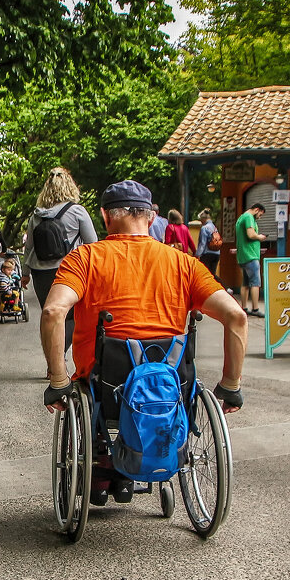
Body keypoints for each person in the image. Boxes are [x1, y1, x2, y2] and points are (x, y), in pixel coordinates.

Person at [40, 179, 249, 504]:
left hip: (104, 388)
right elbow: (237, 317)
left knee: (89, 395)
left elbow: (54, 311)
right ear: (151, 218)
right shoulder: (185, 264)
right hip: (170, 387)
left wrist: (57, 380)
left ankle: (103, 471)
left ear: (105, 218)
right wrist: (231, 385)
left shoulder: (85, 259)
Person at [21, 167, 98, 357]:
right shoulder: (78, 212)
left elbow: (29, 247)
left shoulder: (36, 215)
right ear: (70, 187)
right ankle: (57, 357)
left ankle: (52, 359)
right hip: (68, 270)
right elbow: (93, 244)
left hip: (40, 272)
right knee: (72, 317)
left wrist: (25, 273)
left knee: (49, 316)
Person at [235, 202, 267, 317]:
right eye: (260, 214)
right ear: (257, 209)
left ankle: (244, 308)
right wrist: (260, 237)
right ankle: (255, 308)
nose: (259, 217)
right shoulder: (249, 217)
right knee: (255, 283)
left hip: (242, 255)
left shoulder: (241, 218)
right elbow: (250, 234)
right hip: (251, 255)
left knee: (245, 283)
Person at [195, 208, 221, 277]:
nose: (201, 222)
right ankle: (224, 287)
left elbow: (202, 243)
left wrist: (197, 254)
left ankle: (224, 286)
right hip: (216, 254)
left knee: (205, 275)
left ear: (203, 219)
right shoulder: (214, 227)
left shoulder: (204, 228)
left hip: (207, 254)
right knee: (213, 275)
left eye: (201, 220)